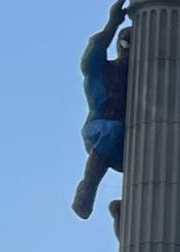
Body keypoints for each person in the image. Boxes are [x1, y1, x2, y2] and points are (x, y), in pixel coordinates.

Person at [73, 0, 132, 229]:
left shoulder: (142, 79)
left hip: (126, 143)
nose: (128, 50)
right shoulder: (104, 71)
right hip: (98, 130)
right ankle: (88, 187)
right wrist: (113, 24)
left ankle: (125, 212)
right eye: (125, 43)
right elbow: (92, 53)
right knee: (112, 131)